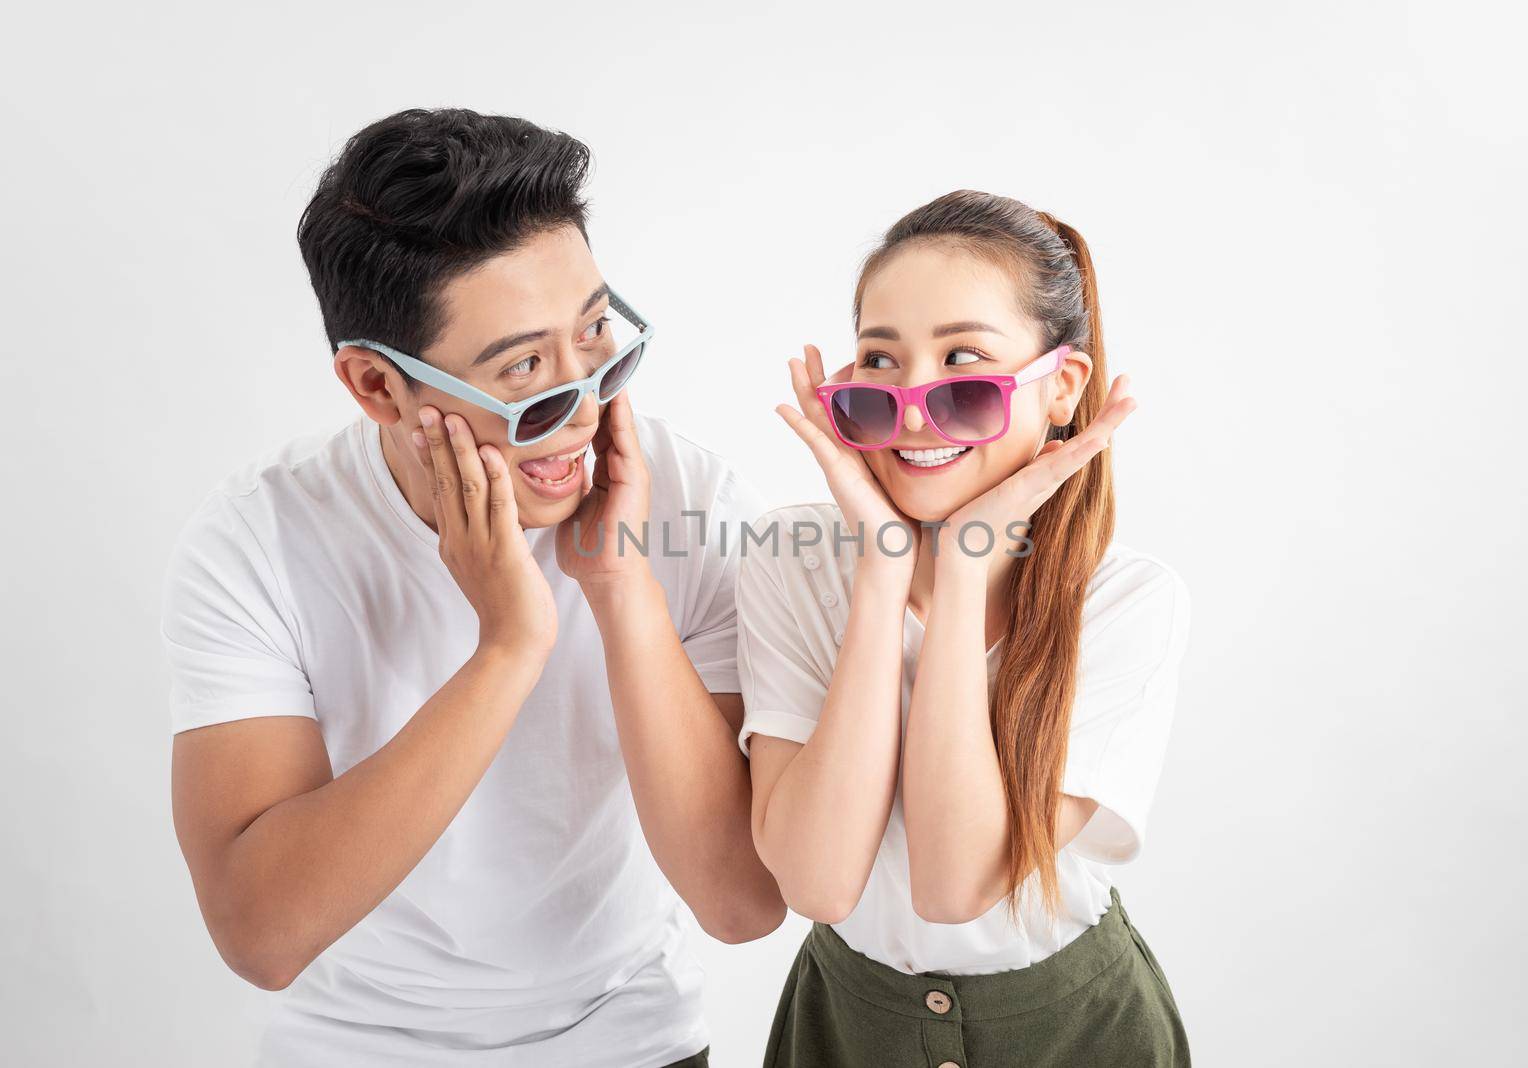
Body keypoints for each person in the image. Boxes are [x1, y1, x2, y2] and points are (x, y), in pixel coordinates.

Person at [160, 107, 785, 1068]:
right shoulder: (258, 538)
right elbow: (260, 937)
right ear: (376, 387)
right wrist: (508, 648)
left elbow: (739, 905)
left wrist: (619, 584)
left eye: (599, 339)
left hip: (632, 1040)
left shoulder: (690, 498)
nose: (584, 411)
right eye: (528, 374)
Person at [735, 190, 1193, 1066]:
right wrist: (883, 568)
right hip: (843, 1022)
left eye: (964, 362)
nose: (913, 404)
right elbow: (819, 880)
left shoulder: (1129, 600)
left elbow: (955, 883)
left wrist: (966, 563)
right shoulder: (790, 556)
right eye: (879, 359)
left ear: (1062, 389)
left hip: (1075, 1030)